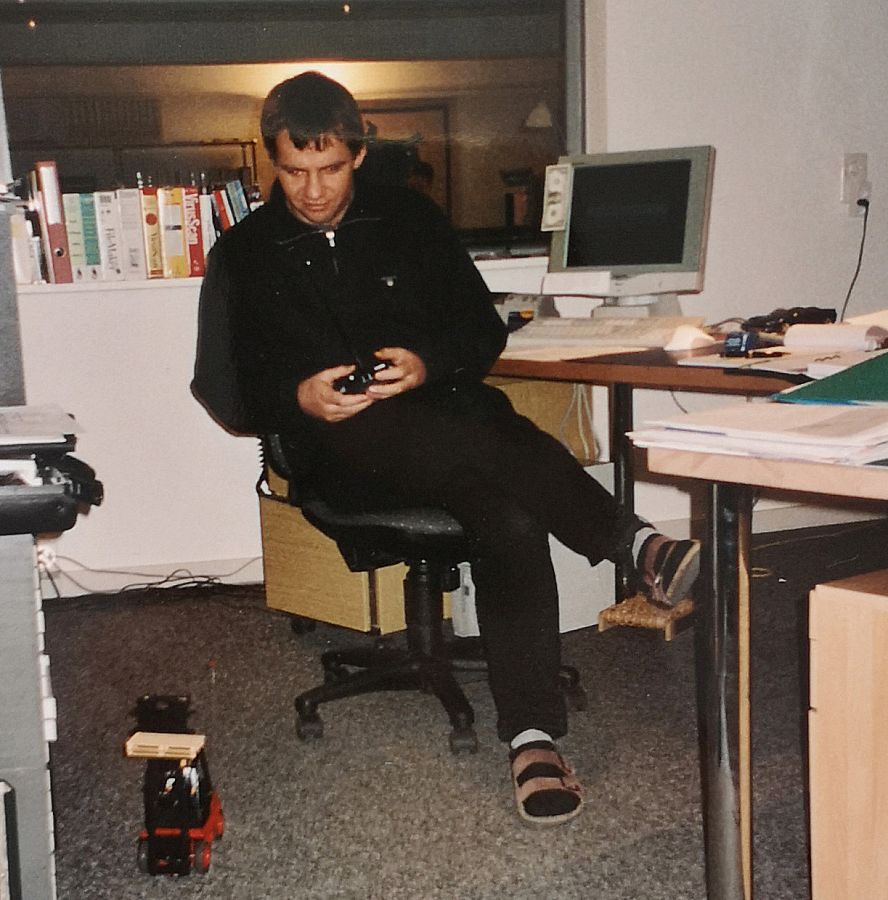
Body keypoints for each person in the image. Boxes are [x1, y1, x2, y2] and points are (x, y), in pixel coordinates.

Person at [191, 71, 700, 827]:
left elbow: (481, 330)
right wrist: (298, 398)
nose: (312, 190)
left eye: (329, 169)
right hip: (338, 453)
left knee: (510, 516)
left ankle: (532, 738)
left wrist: (426, 364)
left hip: (449, 431)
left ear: (358, 154)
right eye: (294, 171)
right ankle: (632, 543)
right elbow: (221, 389)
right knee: (484, 433)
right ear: (274, 160)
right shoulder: (244, 253)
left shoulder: (410, 220)